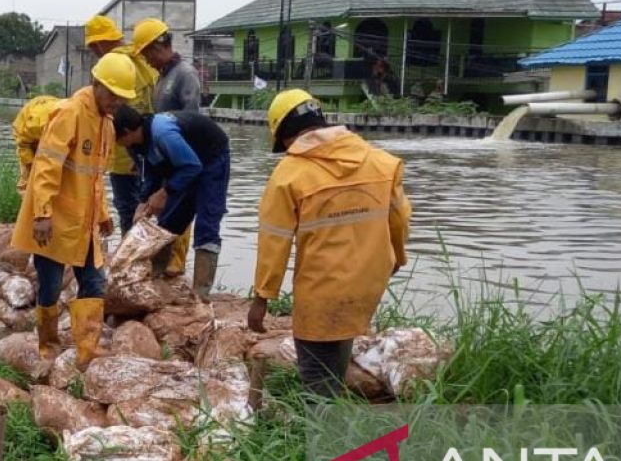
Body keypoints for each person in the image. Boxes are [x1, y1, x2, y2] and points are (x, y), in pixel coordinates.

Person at [247, 89, 412, 397]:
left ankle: (324, 439)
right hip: (368, 282)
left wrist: (262, 298)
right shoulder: (381, 162)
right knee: (337, 352)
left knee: (316, 382)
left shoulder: (288, 175)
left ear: (285, 136)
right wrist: (398, 259)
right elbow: (400, 220)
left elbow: (274, 242)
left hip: (321, 290)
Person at [11, 53, 136, 368]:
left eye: (122, 99)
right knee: (51, 285)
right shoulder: (69, 114)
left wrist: (104, 214)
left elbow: (95, 177)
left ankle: (87, 350)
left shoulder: (107, 125)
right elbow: (46, 168)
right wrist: (41, 214)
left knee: (94, 283)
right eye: (112, 95)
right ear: (96, 84)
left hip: (86, 222)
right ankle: (48, 344)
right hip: (56, 219)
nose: (116, 103)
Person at [113, 105, 230, 301]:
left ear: (125, 132)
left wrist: (165, 192)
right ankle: (155, 277)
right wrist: (143, 200)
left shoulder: (163, 134)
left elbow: (193, 166)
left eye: (116, 138)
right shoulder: (136, 144)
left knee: (206, 226)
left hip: (211, 160)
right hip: (186, 165)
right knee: (168, 222)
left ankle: (201, 294)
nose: (116, 144)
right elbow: (152, 172)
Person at [131, 18, 200, 274]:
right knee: (161, 206)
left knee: (180, 204)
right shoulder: (162, 78)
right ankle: (163, 258)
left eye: (147, 54)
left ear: (156, 47)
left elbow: (192, 118)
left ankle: (176, 263)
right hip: (163, 153)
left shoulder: (185, 74)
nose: (146, 61)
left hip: (182, 153)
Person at [82, 14, 157, 235]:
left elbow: (100, 110)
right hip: (147, 146)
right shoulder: (141, 59)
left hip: (123, 151)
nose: (94, 52)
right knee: (146, 205)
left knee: (127, 207)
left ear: (98, 44)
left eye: (93, 48)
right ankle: (147, 256)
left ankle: (129, 255)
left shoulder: (111, 65)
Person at [11, 94, 62, 192]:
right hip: (26, 133)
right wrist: (31, 165)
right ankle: (25, 201)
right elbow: (23, 143)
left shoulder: (73, 123)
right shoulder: (37, 124)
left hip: (46, 129)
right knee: (29, 180)